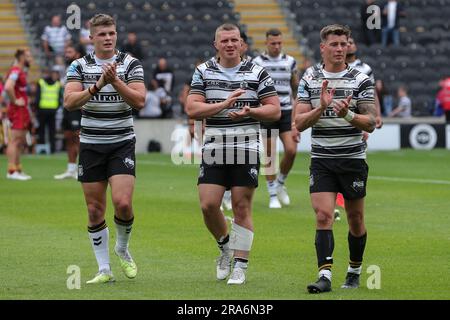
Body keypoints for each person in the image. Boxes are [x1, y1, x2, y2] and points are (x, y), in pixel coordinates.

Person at [186, 23, 280, 285]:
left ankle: (240, 265)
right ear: (216, 44)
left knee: (241, 206)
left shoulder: (257, 72)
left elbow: (274, 111)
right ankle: (225, 245)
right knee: (208, 205)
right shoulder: (203, 71)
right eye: (224, 40)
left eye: (234, 40)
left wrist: (251, 111)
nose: (229, 44)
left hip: (246, 147)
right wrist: (224, 105)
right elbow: (192, 108)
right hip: (214, 148)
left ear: (241, 44)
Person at [63, 14, 146, 284]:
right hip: (91, 144)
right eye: (102, 34)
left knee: (123, 203)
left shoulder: (130, 63)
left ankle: (122, 247)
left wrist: (115, 81)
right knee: (94, 210)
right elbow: (70, 101)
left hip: (121, 142)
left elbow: (140, 100)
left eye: (111, 33)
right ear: (91, 38)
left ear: (116, 35)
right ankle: (104, 269)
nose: (108, 38)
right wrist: (98, 84)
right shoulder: (79, 65)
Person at [295, 24, 376, 293]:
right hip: (322, 159)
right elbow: (299, 122)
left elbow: (371, 122)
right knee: (323, 215)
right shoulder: (309, 79)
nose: (340, 49)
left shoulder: (361, 79)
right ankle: (325, 277)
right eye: (334, 44)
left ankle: (354, 270)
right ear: (323, 47)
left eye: (344, 44)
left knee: (355, 220)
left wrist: (348, 115)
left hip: (352, 159)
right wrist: (321, 107)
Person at [252, 28, 299, 209]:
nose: (277, 46)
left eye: (279, 43)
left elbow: (295, 89)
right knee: (270, 154)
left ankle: (280, 183)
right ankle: (272, 194)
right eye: (273, 43)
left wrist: (296, 117)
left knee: (291, 150)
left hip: (286, 111)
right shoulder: (257, 63)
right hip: (268, 111)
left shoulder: (290, 62)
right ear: (266, 43)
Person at [54, 44, 84, 180]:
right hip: (67, 108)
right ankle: (71, 169)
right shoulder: (68, 68)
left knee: (78, 139)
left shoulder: (82, 67)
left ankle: (82, 169)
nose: (67, 53)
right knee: (68, 137)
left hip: (77, 108)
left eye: (70, 51)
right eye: (66, 51)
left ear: (77, 54)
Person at [5, 48, 33, 180]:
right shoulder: (16, 70)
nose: (30, 58)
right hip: (17, 109)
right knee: (15, 140)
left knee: (20, 140)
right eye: (28, 56)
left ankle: (17, 169)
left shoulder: (20, 70)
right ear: (21, 57)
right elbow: (8, 86)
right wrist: (15, 101)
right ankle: (11, 171)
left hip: (22, 109)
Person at [35, 68, 62, 154]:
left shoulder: (58, 84)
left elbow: (59, 97)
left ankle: (51, 149)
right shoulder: (42, 83)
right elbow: (37, 97)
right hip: (44, 111)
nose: (56, 76)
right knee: (43, 131)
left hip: (50, 111)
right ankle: (42, 149)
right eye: (55, 74)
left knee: (50, 131)